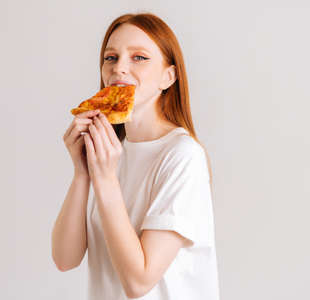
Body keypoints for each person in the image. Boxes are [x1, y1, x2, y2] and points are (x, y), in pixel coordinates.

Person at [52, 12, 220, 300]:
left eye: (139, 57)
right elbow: (65, 259)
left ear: (168, 77)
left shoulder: (183, 156)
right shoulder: (112, 150)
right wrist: (82, 172)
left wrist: (104, 178)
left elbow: (138, 282)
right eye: (111, 57)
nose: (119, 69)